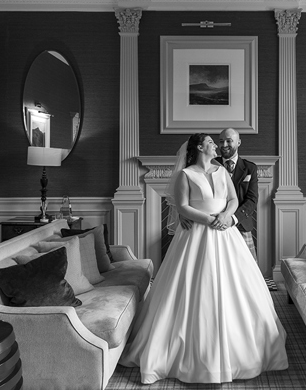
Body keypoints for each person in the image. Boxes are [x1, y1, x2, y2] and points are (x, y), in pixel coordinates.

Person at [119, 133, 288, 384]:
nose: (216, 145)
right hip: (196, 235)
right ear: (199, 147)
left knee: (238, 287)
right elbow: (184, 206)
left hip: (226, 234)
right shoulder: (186, 175)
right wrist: (210, 220)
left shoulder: (221, 171)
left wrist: (227, 217)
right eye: (210, 142)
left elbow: (232, 198)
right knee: (191, 287)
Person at [215, 127, 258, 260]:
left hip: (241, 224)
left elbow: (252, 200)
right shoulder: (211, 164)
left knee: (248, 272)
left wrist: (232, 219)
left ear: (238, 142)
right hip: (215, 224)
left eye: (229, 141)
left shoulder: (250, 168)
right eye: (221, 141)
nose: (224, 145)